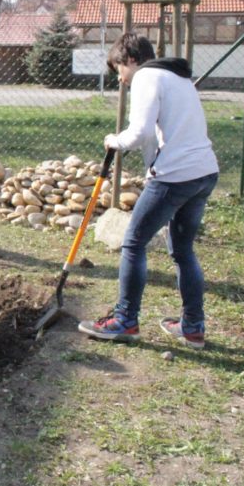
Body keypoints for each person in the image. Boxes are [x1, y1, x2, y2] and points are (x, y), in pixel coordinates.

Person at [78, 33, 218, 350]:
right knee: (183, 250)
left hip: (176, 177)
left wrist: (114, 140)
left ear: (130, 59)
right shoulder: (177, 77)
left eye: (119, 70)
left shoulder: (146, 76)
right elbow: (160, 132)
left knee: (133, 243)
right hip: (204, 172)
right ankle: (193, 327)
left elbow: (139, 133)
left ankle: (125, 321)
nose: (121, 79)